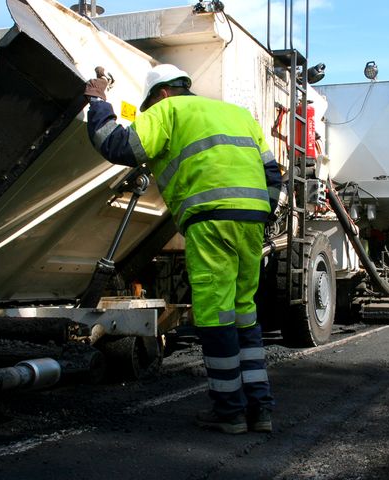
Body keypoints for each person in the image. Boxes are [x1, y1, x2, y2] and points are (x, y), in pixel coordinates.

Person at [84, 64, 282, 433]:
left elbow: (118, 144)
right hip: (252, 221)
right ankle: (261, 409)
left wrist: (97, 102)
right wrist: (261, 214)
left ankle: (230, 412)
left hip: (210, 221)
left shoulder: (168, 111)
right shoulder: (238, 115)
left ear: (159, 94)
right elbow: (273, 174)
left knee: (214, 313)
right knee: (244, 313)